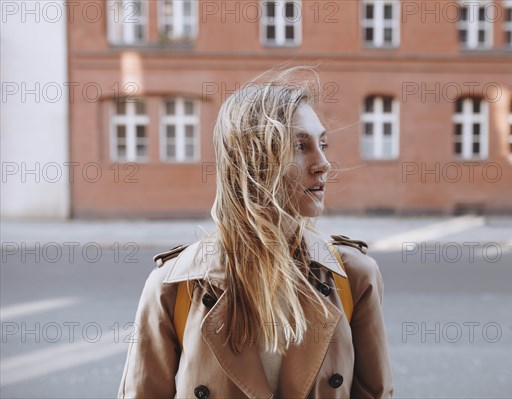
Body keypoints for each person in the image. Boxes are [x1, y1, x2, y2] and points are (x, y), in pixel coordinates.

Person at [117, 67, 394, 398]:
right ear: (252, 160)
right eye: (300, 146)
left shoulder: (353, 278)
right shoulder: (174, 289)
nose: (324, 163)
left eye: (322, 144)